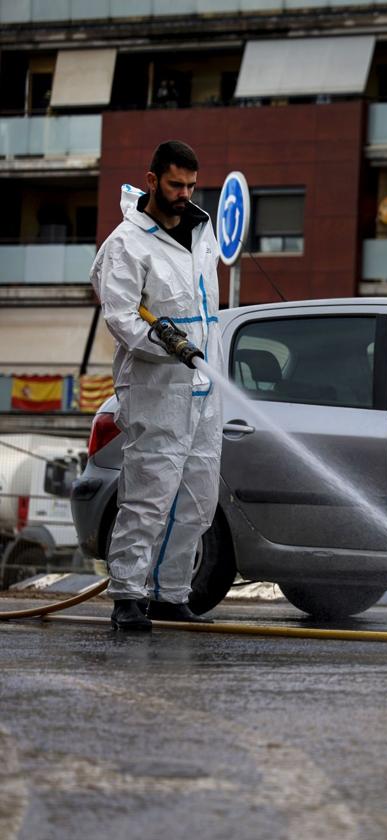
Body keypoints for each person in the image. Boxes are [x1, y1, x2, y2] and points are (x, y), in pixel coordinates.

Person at [90, 140, 223, 630]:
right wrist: (164, 342)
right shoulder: (127, 244)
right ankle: (128, 594)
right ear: (151, 180)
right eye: (174, 184)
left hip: (203, 390)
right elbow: (121, 315)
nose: (184, 194)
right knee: (149, 495)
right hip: (156, 389)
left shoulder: (201, 234)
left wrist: (197, 352)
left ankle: (171, 594)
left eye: (190, 185)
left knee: (197, 499)